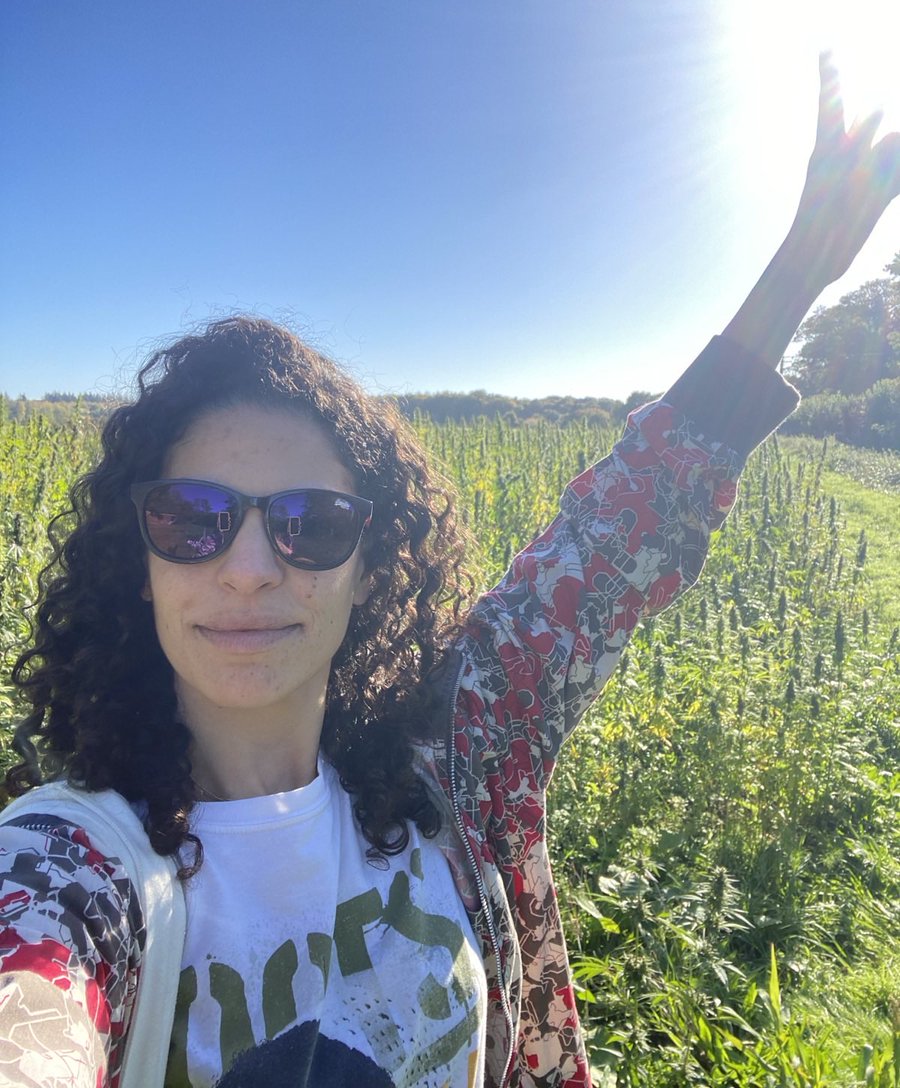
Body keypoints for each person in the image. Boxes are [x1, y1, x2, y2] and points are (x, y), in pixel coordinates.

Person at [0, 55, 898, 1088]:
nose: (249, 568)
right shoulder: (77, 865)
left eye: (310, 525)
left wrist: (797, 276)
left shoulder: (454, 752)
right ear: (139, 556)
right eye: (194, 520)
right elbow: (31, 992)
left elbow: (614, 535)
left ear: (372, 567)